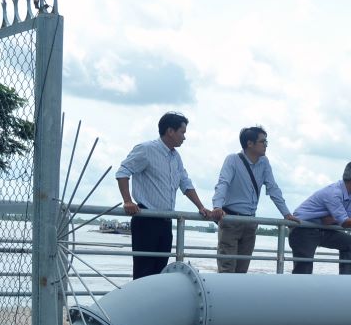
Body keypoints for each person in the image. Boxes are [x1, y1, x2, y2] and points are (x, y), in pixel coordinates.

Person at [116, 112, 211, 279]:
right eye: (182, 132)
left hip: (166, 221)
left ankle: (154, 305)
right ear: (170, 131)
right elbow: (123, 171)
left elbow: (185, 183)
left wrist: (201, 207)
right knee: (143, 272)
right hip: (146, 219)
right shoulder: (146, 149)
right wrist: (127, 201)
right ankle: (141, 305)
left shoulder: (176, 157)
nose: (184, 137)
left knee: (160, 273)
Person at [211, 126, 297, 274]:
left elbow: (273, 188)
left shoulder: (264, 162)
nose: (265, 145)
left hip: (250, 222)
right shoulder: (232, 160)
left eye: (266, 142)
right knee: (227, 268)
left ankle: (237, 297)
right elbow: (223, 183)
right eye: (262, 141)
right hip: (231, 219)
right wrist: (217, 206)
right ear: (250, 143)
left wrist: (286, 214)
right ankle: (225, 297)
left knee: (242, 270)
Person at [289, 161, 351, 274]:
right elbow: (344, 222)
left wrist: (336, 219)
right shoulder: (334, 193)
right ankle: (298, 289)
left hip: (322, 228)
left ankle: (345, 281)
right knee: (304, 268)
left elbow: (344, 217)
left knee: (349, 243)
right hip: (303, 229)